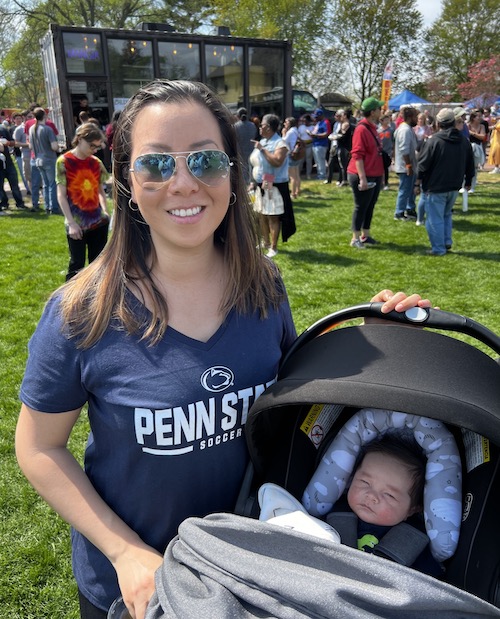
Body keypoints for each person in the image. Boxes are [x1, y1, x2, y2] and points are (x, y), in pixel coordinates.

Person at [15, 78, 432, 619]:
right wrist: (126, 554)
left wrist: (375, 336)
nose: (185, 183)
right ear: (127, 180)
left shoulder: (262, 285)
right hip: (136, 587)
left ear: (233, 173)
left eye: (206, 161)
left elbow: (291, 390)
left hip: (252, 573)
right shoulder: (81, 311)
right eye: (158, 164)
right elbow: (39, 448)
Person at [332, 437, 441, 576]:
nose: (371, 496)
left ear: (412, 509)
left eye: (389, 495)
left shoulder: (414, 541)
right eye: (365, 482)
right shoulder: (329, 514)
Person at [416, 108, 475, 255]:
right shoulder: (464, 141)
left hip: (436, 186)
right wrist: (468, 181)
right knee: (446, 214)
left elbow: (422, 165)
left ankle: (438, 248)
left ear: (439, 122)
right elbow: (470, 164)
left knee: (434, 218)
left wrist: (417, 183)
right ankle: (446, 241)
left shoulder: (434, 141)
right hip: (454, 185)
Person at [56, 122, 110, 280]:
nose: (94, 150)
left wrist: (105, 211)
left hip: (98, 221)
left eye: (97, 147)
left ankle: (97, 299)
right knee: (76, 265)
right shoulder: (64, 162)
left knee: (98, 265)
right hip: (76, 223)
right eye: (91, 145)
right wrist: (71, 222)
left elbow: (100, 190)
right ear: (80, 139)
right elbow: (61, 195)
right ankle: (69, 302)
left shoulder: (96, 163)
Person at [252, 113, 296, 257]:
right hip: (263, 182)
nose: (260, 127)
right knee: (262, 214)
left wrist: (262, 150)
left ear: (269, 127)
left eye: (262, 125)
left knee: (273, 216)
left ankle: (274, 247)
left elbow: (277, 161)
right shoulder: (263, 141)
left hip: (275, 185)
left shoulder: (280, 144)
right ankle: (265, 242)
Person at [346, 97, 385, 248]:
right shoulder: (362, 129)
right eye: (379, 109)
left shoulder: (372, 127)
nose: (381, 111)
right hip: (362, 174)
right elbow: (357, 155)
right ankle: (355, 238)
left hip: (373, 173)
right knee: (361, 206)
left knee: (370, 205)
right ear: (373, 112)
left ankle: (365, 235)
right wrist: (362, 179)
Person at [28, 108, 60, 214]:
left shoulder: (31, 129)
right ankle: (53, 207)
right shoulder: (47, 129)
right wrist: (59, 146)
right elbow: (54, 147)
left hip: (37, 159)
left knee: (46, 185)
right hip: (49, 159)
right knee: (52, 184)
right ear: (44, 116)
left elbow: (31, 146)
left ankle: (47, 206)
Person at [393, 106, 419, 221]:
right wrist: (408, 165)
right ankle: (399, 212)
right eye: (415, 117)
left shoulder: (408, 128)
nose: (417, 119)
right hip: (405, 167)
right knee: (405, 189)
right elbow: (404, 149)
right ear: (410, 117)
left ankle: (410, 209)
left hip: (411, 165)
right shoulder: (405, 130)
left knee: (410, 189)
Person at [0, 121, 27, 211]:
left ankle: (19, 203)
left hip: (8, 162)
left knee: (14, 184)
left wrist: (8, 143)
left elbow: (13, 142)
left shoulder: (3, 129)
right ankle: (4, 203)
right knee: (0, 187)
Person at [234, 107, 258, 185]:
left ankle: (245, 185)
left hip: (240, 150)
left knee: (242, 168)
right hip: (251, 149)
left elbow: (235, 139)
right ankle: (251, 183)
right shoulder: (253, 125)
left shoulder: (236, 126)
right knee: (251, 167)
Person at [282, 117, 302, 198]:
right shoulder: (296, 130)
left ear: (290, 123)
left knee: (292, 176)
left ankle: (293, 194)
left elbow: (283, 141)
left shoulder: (290, 132)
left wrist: (283, 133)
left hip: (291, 155)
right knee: (297, 174)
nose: (284, 124)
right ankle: (298, 190)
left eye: (286, 122)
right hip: (296, 154)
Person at [306, 109, 329, 180]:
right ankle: (319, 174)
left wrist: (315, 135)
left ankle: (322, 176)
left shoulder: (325, 122)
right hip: (315, 144)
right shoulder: (318, 123)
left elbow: (326, 133)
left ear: (321, 116)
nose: (315, 118)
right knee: (317, 161)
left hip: (321, 144)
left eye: (317, 116)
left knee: (321, 161)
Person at [377, 114, 394, 190]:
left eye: (388, 120)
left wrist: (393, 150)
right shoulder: (378, 130)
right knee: (380, 167)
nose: (387, 121)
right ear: (381, 121)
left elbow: (393, 141)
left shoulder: (391, 130)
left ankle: (386, 182)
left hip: (388, 151)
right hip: (380, 150)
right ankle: (380, 182)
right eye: (386, 120)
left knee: (386, 167)